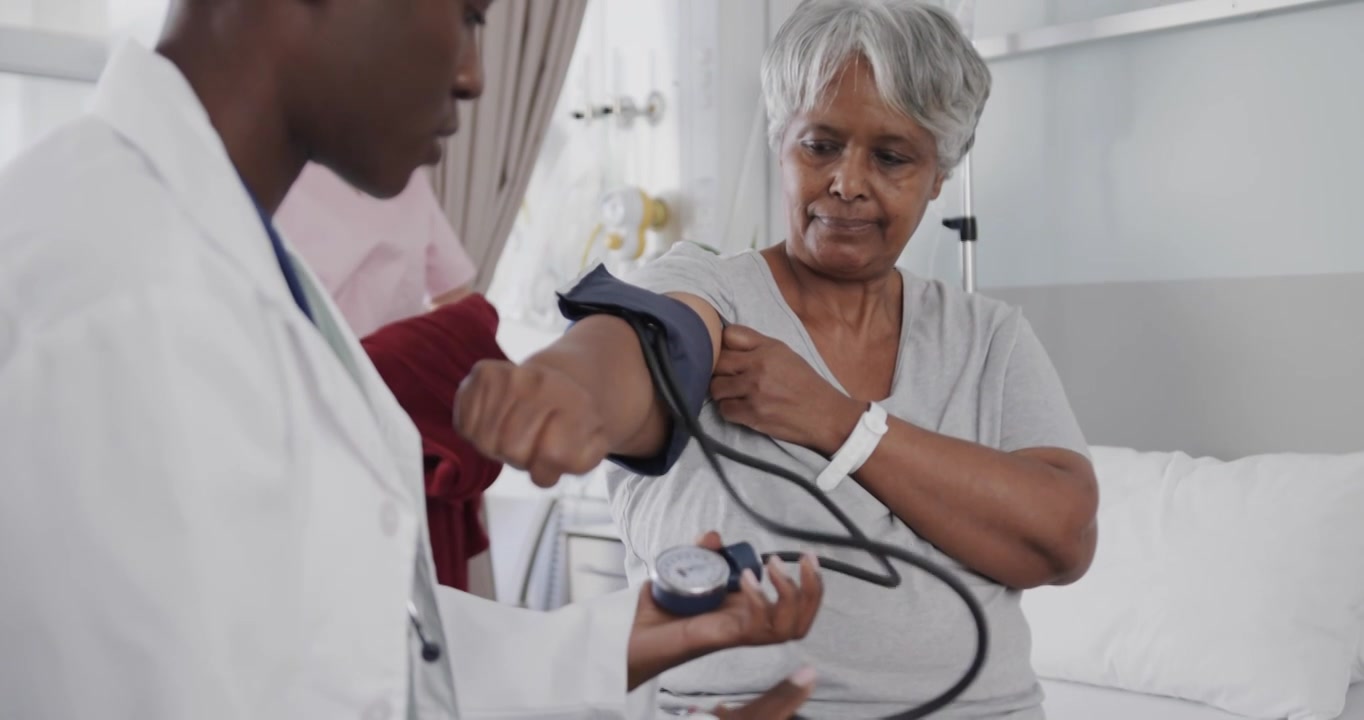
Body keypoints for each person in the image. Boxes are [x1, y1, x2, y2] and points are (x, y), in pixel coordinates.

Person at [0, 0, 823, 718]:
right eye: (467, 14)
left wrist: (612, 641)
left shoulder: (224, 256)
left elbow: (337, 645)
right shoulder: (117, 297)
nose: (473, 78)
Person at [457, 1, 1099, 718]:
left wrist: (839, 423)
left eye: (890, 157)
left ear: (938, 173)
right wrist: (563, 386)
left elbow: (1063, 537)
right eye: (819, 145)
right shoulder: (709, 293)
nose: (846, 183)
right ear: (780, 141)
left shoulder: (988, 338)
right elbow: (641, 344)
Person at [276, 164, 475, 339]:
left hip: (392, 367)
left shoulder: (409, 176)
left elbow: (454, 294)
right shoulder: (277, 177)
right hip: (305, 361)